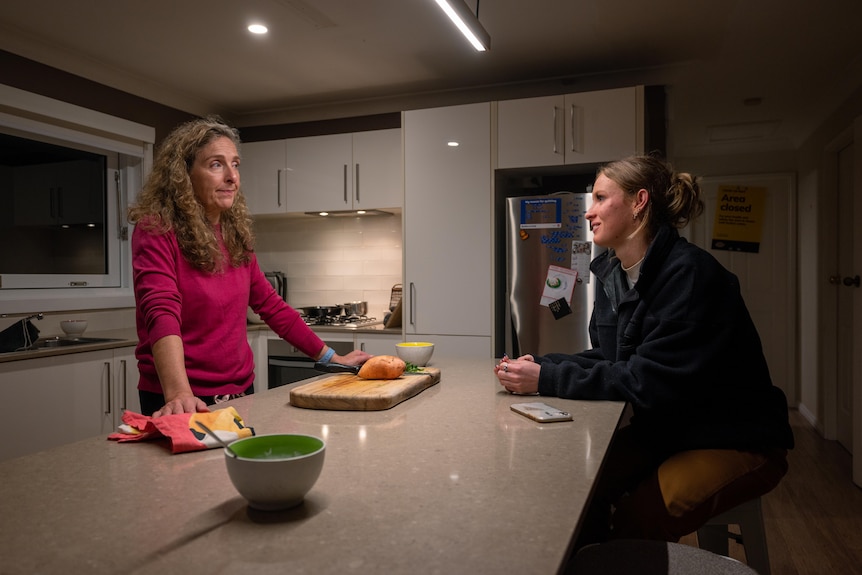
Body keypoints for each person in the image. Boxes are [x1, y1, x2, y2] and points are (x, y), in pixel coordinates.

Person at [494, 154, 794, 545]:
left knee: (641, 517)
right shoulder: (613, 273)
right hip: (673, 429)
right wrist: (541, 364)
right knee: (579, 488)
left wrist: (547, 378)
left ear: (639, 202)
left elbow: (649, 381)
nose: (589, 213)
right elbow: (612, 357)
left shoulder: (690, 275)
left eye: (601, 198)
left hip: (734, 437)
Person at [128, 116, 370, 417]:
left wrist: (332, 357)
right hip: (181, 396)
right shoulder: (157, 229)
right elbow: (160, 309)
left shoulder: (234, 234)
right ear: (183, 175)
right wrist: (178, 393)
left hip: (240, 390)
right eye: (216, 164)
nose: (232, 176)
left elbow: (270, 305)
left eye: (236, 164)